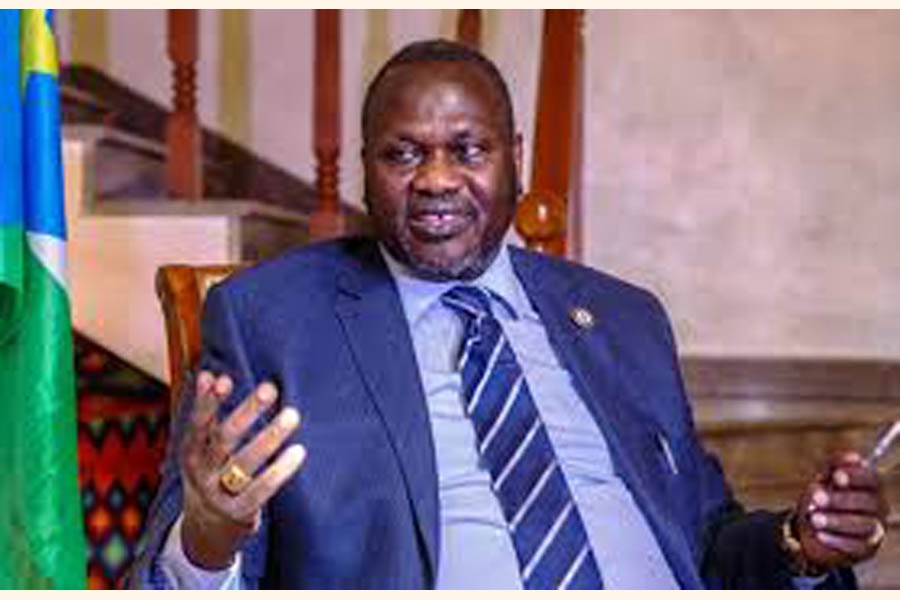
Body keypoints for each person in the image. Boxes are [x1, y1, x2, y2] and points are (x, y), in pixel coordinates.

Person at [126, 39, 888, 589]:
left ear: (514, 155)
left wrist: (801, 544)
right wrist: (209, 538)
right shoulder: (272, 320)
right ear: (364, 167)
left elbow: (706, 540)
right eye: (403, 154)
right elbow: (167, 576)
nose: (436, 179)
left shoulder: (623, 319)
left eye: (468, 150)